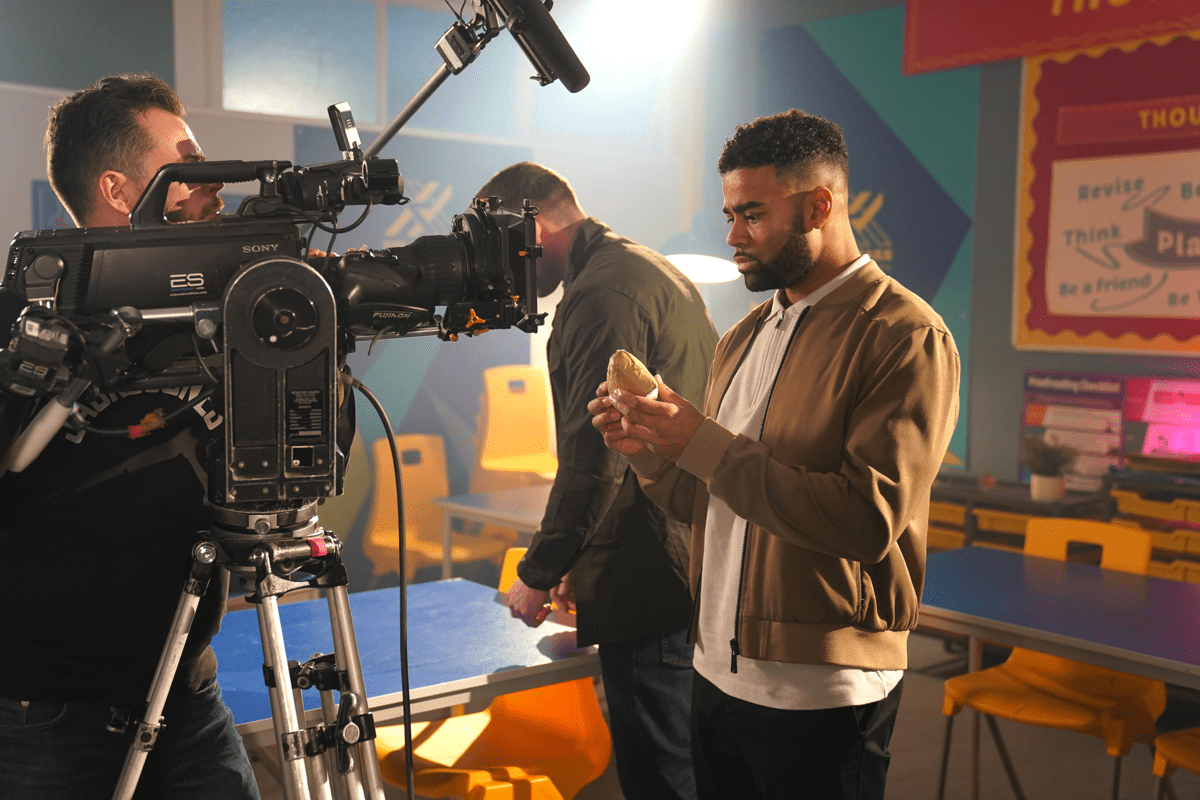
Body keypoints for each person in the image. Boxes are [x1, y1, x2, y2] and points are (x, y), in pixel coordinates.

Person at [590, 110, 961, 799]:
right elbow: (707, 502)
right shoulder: (744, 336)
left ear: (818, 207)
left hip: (822, 689)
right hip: (715, 672)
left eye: (753, 215)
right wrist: (650, 451)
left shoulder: (904, 335)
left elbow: (865, 520)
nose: (734, 235)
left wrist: (701, 442)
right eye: (731, 215)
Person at [0, 74, 257, 799]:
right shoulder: (20, 325)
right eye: (188, 166)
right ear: (117, 190)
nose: (212, 183)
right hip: (44, 713)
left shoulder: (225, 312)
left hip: (186, 690)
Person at [477, 162, 717, 800]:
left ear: (530, 228)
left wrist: (539, 570)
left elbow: (597, 455)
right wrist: (578, 561)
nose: (501, 274)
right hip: (685, 556)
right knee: (690, 763)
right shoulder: (642, 268)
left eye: (500, 250)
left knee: (663, 777)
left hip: (649, 573)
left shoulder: (601, 294)